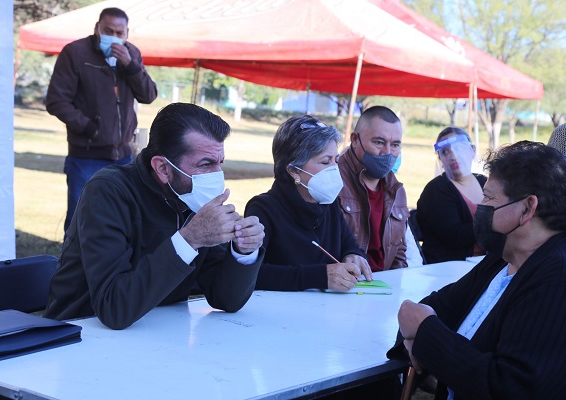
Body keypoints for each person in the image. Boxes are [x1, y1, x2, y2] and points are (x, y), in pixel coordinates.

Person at [44, 103, 265, 330]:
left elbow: (226, 299)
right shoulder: (108, 190)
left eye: (220, 163)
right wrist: (189, 240)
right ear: (162, 168)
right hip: (80, 334)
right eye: (206, 164)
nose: (217, 176)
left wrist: (243, 252)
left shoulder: (193, 197)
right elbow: (113, 308)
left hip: (161, 335)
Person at [388, 141, 566, 399]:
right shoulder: (502, 259)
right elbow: (434, 307)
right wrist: (419, 336)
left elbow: (509, 387)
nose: (480, 206)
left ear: (527, 208)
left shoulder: (555, 279)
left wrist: (427, 336)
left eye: (489, 196)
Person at [46, 7, 158, 233]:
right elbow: (56, 101)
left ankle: (113, 266)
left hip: (123, 156)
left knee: (122, 218)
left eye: (119, 33)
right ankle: (72, 267)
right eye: (108, 31)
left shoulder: (132, 54)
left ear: (127, 33)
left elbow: (149, 95)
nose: (114, 37)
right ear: (97, 28)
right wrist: (90, 128)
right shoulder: (76, 53)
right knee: (81, 219)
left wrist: (131, 65)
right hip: (86, 155)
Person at [244, 115, 372, 291]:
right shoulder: (263, 209)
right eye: (325, 162)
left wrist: (354, 255)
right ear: (294, 171)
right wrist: (319, 277)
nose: (334, 169)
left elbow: (348, 244)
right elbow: (251, 274)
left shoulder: (328, 202)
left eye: (336, 160)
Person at [338, 106, 409, 271]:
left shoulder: (397, 190)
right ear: (355, 139)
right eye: (379, 142)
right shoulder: (332, 181)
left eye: (395, 144)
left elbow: (399, 252)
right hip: (344, 285)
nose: (387, 152)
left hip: (383, 287)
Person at [416, 127, 486, 263]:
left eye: (458, 148)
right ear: (441, 159)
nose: (453, 156)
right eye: (445, 152)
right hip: (450, 268)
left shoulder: (486, 182)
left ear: (473, 151)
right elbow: (454, 236)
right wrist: (493, 223)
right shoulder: (436, 190)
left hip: (486, 264)